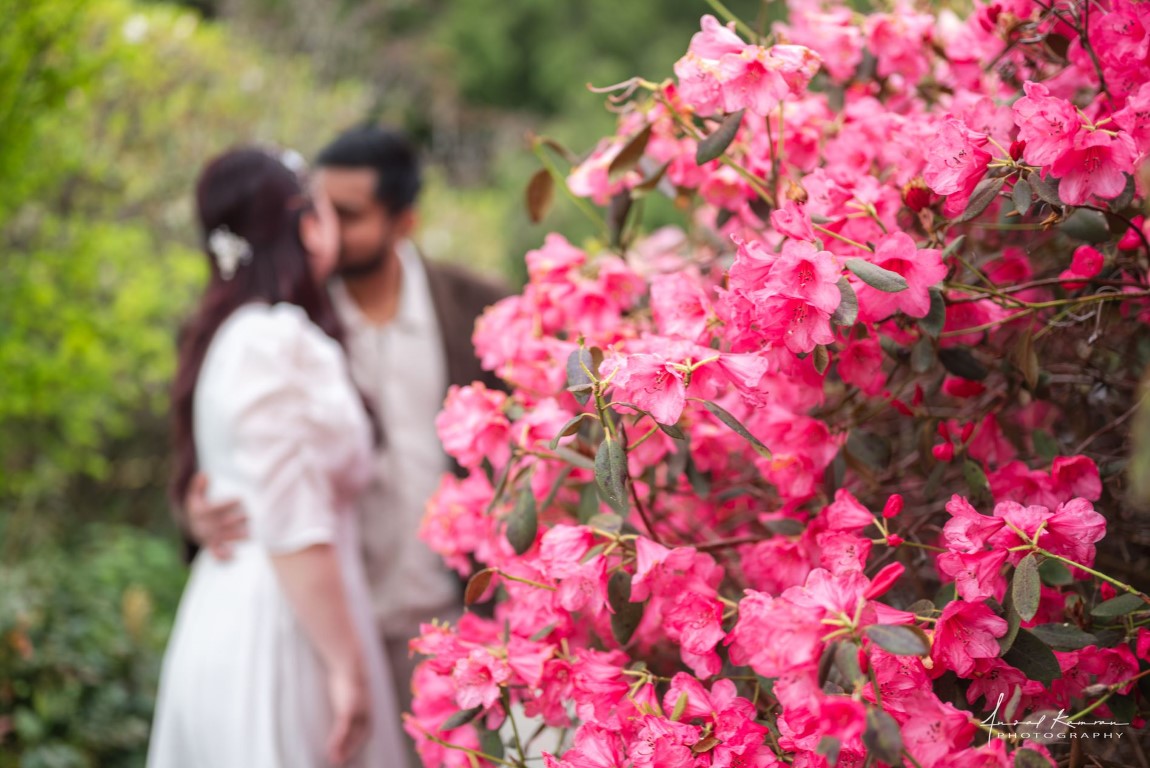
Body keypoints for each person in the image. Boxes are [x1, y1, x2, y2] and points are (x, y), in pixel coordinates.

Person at [180, 127, 509, 768]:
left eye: (347, 213)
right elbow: (219, 450)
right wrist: (197, 507)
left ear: (403, 220)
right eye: (315, 205)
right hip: (327, 617)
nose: (322, 222)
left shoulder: (479, 309)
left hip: (456, 616)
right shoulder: (288, 323)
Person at [148, 146, 403, 767]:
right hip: (286, 622)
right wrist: (346, 666)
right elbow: (292, 521)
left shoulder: (238, 334)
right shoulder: (272, 338)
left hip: (242, 605)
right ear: (305, 224)